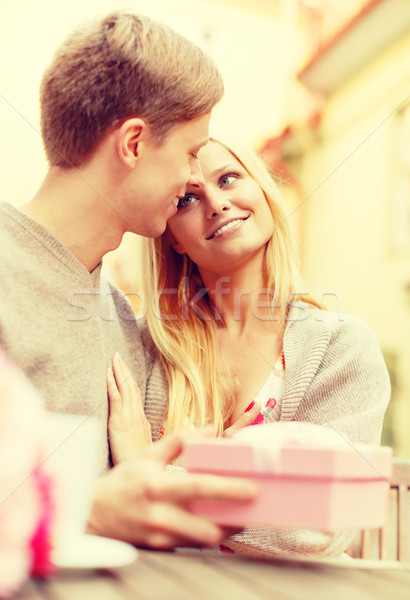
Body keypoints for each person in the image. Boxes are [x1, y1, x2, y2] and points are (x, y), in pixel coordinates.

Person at [0, 12, 259, 550]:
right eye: (191, 152)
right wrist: (84, 511)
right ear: (134, 144)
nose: (195, 178)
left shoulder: (119, 316)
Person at [107, 131, 391, 557]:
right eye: (187, 199)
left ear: (263, 191)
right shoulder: (150, 348)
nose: (217, 204)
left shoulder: (342, 347)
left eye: (228, 179)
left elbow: (315, 527)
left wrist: (144, 470)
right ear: (172, 239)